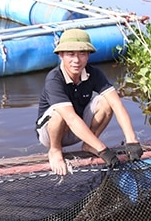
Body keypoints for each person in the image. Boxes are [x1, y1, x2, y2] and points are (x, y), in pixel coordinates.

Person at [36, 28, 143, 176]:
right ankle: (55, 150)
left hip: (79, 129)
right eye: (70, 54)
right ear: (61, 55)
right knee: (59, 114)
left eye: (82, 54)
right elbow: (71, 118)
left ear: (88, 56)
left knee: (106, 102)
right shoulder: (54, 79)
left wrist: (132, 141)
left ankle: (88, 144)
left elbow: (117, 104)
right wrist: (103, 150)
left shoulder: (94, 73)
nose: (76, 60)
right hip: (51, 133)